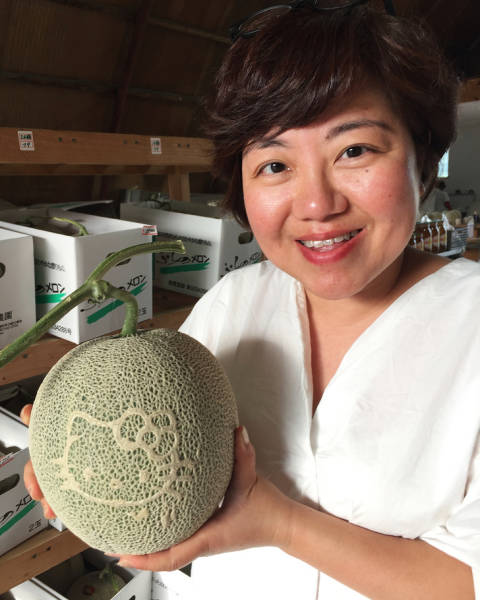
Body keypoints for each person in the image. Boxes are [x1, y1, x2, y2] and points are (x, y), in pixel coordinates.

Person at [21, 2, 480, 599]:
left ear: (423, 161)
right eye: (275, 163)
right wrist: (79, 453)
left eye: (354, 150)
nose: (316, 204)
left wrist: (277, 523)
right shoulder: (231, 302)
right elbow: (163, 475)